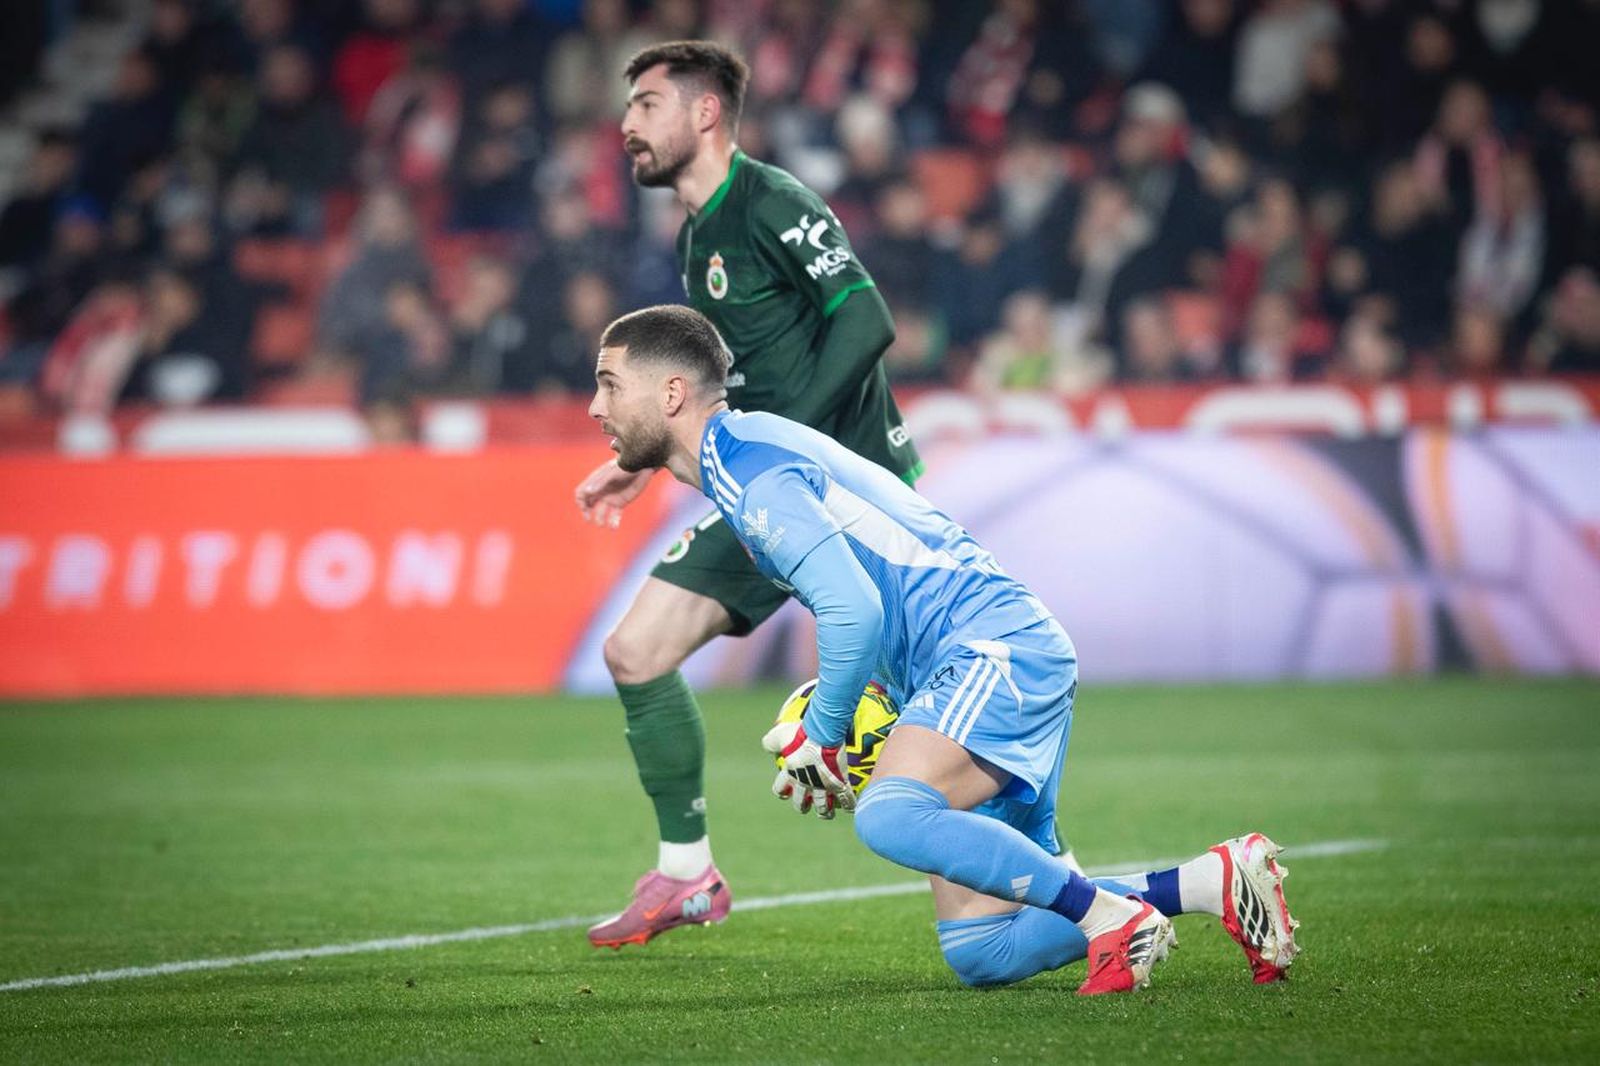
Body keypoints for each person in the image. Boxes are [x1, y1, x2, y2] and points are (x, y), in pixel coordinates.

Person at [587, 303, 1302, 993]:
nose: (596, 406)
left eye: (610, 383)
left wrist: (826, 734)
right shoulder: (742, 452)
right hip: (961, 663)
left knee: (890, 815)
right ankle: (1212, 882)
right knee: (984, 950)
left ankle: (1113, 919)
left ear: (672, 392)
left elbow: (853, 610)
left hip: (990, 647)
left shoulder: (747, 468)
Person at [575, 41, 920, 948]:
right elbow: (716, 391)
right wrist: (643, 458)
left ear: (704, 115)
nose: (627, 126)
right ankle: (688, 877)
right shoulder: (696, 239)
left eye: (647, 105)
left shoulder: (772, 202)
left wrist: (788, 446)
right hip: (769, 489)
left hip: (856, 491)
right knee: (636, 650)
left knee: (921, 737)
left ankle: (1074, 890)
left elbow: (868, 320)